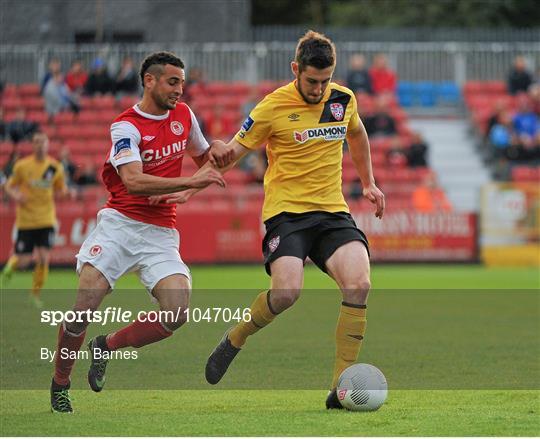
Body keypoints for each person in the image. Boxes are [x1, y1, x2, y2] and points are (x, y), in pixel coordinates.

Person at [152, 31, 385, 409]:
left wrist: (370, 183)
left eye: (326, 80)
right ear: (296, 69)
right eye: (312, 81)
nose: (319, 89)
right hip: (287, 213)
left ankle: (340, 389)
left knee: (359, 285)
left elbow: (356, 135)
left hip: (332, 212)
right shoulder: (272, 107)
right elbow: (234, 152)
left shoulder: (343, 99)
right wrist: (193, 186)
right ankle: (237, 337)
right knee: (287, 293)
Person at [48, 51, 226, 413]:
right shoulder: (125, 126)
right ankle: (60, 384)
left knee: (176, 313)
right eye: (172, 82)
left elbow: (206, 161)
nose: (180, 89)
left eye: (182, 82)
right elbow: (131, 180)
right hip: (119, 227)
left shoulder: (184, 116)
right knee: (83, 308)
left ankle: (106, 346)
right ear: (150, 81)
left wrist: (206, 168)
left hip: (160, 233)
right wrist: (191, 180)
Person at [1, 132, 69, 307]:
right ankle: (10, 267)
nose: (40, 145)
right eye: (37, 142)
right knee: (23, 260)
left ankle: (34, 295)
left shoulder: (55, 167)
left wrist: (65, 192)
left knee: (44, 258)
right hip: (26, 220)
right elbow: (8, 186)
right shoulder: (22, 166)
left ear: (48, 144)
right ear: (32, 145)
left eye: (43, 142)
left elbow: (61, 189)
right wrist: (16, 195)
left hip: (46, 219)